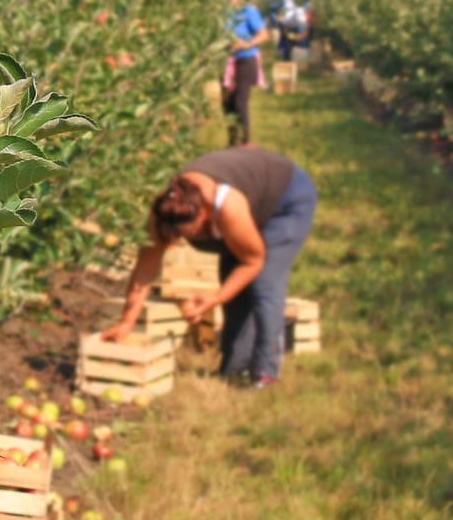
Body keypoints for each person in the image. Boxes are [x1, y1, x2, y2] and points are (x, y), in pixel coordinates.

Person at [101, 145, 319, 386]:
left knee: (264, 284)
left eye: (187, 234)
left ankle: (265, 372)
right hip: (248, 199)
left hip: (286, 199)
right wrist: (127, 322)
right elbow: (145, 271)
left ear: (205, 214)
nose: (177, 242)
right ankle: (234, 370)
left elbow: (252, 262)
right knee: (232, 284)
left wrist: (214, 299)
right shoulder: (165, 211)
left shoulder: (228, 207)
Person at [220, 0, 267, 145]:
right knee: (227, 103)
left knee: (240, 101)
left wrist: (246, 44)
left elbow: (264, 35)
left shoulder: (249, 11)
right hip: (227, 61)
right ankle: (232, 141)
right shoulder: (225, 13)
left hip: (246, 60)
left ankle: (244, 141)